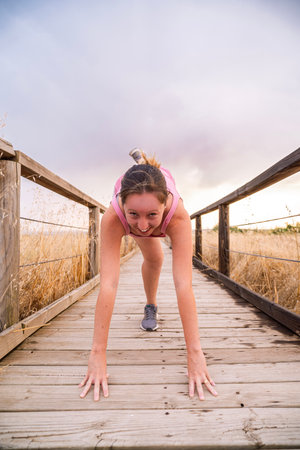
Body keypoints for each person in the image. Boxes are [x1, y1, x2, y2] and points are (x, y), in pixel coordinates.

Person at [79, 149, 218, 401]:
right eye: (134, 214)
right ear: (122, 205)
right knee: (154, 258)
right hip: (134, 192)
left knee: (158, 257)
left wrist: (195, 354)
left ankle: (144, 163)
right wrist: (97, 353)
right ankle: (151, 305)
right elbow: (108, 284)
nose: (142, 226)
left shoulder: (177, 215)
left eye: (152, 214)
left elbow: (183, 285)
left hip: (159, 188)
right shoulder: (114, 217)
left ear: (164, 205)